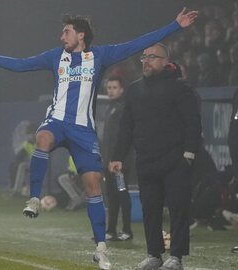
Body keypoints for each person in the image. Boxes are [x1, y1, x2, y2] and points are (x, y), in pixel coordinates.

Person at [0, 8, 197, 270]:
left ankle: (101, 248)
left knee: (93, 186)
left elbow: (139, 43)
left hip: (83, 131)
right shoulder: (55, 57)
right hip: (58, 121)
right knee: (42, 138)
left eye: (66, 31)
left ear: (81, 35)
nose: (61, 36)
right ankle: (34, 198)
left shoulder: (100, 56)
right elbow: (20, 64)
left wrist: (175, 26)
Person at [109, 45, 202, 270]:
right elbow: (126, 127)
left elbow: (193, 122)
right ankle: (154, 255)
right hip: (146, 160)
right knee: (151, 209)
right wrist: (117, 156)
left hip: (175, 160)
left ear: (164, 60)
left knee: (178, 209)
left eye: (152, 57)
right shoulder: (134, 90)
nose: (146, 61)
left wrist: (188, 154)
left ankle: (177, 257)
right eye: (144, 57)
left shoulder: (180, 87)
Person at [101, 76, 134, 241]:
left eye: (114, 87)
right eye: (109, 87)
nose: (111, 90)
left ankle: (127, 230)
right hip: (109, 162)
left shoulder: (122, 108)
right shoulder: (111, 108)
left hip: (119, 163)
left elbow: (122, 138)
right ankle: (111, 230)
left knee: (122, 193)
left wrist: (117, 159)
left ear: (121, 89)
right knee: (112, 196)